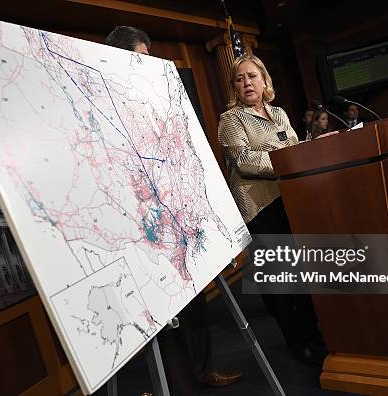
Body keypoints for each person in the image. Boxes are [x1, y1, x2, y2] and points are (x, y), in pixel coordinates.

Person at [105, 26, 243, 394]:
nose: (148, 65)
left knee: (195, 304)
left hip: (179, 216)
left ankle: (203, 370)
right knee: (165, 317)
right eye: (141, 57)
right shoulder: (107, 102)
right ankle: (180, 385)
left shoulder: (155, 97)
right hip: (144, 229)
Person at [218, 54, 324, 364]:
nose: (247, 82)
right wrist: (289, 159)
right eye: (240, 79)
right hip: (260, 207)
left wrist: (297, 156)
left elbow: (294, 146)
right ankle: (296, 342)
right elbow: (245, 161)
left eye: (252, 76)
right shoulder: (231, 119)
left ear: (265, 81)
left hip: (292, 199)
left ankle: (312, 332)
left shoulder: (279, 113)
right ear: (235, 88)